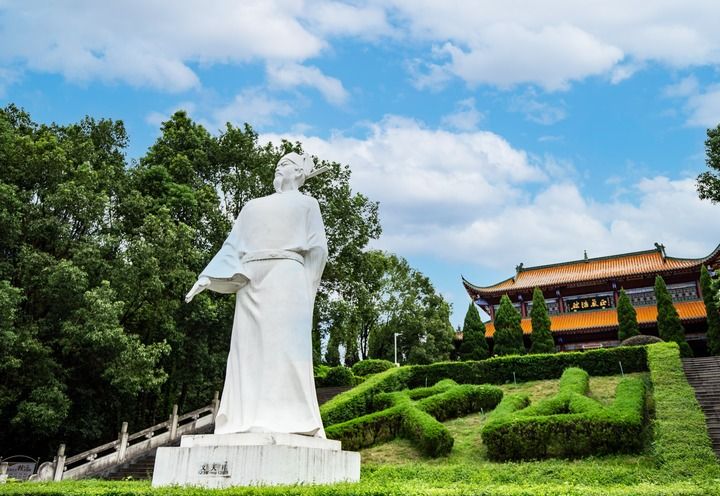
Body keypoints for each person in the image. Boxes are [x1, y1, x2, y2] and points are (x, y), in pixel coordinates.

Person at [185, 152, 329, 437]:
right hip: (251, 278)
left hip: (287, 275)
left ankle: (288, 418)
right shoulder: (252, 207)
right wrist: (208, 276)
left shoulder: (308, 204)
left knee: (284, 348)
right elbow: (233, 244)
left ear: (299, 172)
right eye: (277, 165)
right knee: (247, 350)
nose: (279, 168)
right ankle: (246, 417)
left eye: (285, 164)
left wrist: (306, 288)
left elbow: (318, 250)